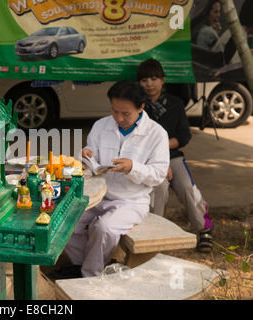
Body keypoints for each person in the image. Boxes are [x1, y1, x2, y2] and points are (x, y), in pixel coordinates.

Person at [64, 80, 170, 277]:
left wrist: (133, 167)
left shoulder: (157, 134)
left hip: (131, 201)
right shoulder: (101, 125)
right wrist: (87, 155)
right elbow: (91, 154)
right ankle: (80, 266)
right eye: (114, 111)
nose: (119, 118)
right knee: (65, 222)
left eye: (126, 113)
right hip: (98, 195)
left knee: (103, 228)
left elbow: (158, 174)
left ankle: (90, 276)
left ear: (141, 108)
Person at [137, 58, 214, 253]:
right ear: (139, 83)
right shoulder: (137, 106)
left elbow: (184, 135)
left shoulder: (175, 104)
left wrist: (163, 151)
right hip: (147, 160)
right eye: (145, 80)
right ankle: (155, 234)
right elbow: (137, 140)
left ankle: (204, 228)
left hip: (173, 157)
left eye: (154, 79)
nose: (149, 84)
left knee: (188, 189)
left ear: (163, 80)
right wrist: (160, 161)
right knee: (159, 188)